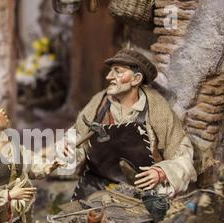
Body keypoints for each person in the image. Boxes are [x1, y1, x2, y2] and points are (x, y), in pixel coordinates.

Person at [66, 49, 197, 200]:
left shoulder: (157, 109)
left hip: (142, 192)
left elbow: (183, 156)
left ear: (136, 79)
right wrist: (69, 153)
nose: (109, 77)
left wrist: (161, 173)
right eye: (110, 71)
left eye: (118, 72)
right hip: (98, 185)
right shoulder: (99, 103)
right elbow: (76, 139)